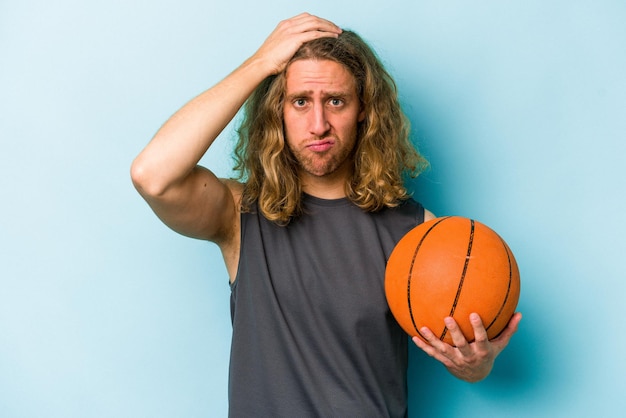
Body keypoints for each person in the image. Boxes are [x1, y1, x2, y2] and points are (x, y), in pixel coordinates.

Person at [131, 13, 522, 417]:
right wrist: (261, 63)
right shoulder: (238, 215)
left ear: (364, 110)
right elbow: (152, 176)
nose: (318, 125)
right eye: (300, 102)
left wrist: (477, 363)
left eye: (335, 101)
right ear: (277, 113)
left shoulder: (418, 234)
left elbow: (465, 360)